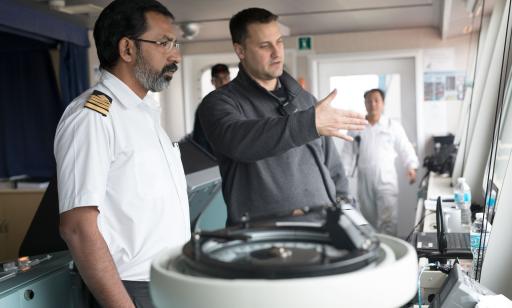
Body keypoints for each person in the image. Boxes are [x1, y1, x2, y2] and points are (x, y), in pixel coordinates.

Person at [54, 1, 189, 307]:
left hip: (167, 282)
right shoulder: (92, 116)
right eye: (164, 42)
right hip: (129, 290)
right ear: (128, 49)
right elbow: (77, 227)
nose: (176, 54)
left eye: (175, 43)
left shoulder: (144, 113)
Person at [197, 7, 367, 226]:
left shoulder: (306, 101)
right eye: (265, 46)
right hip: (261, 240)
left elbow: (334, 170)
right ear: (240, 51)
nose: (277, 53)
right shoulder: (219, 103)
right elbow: (239, 141)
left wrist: (353, 218)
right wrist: (308, 123)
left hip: (324, 229)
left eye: (279, 42)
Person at [342, 88, 419, 236]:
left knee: (388, 219)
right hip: (364, 180)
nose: (373, 104)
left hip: (386, 179)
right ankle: (375, 251)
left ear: (383, 104)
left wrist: (411, 166)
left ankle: (390, 252)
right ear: (364, 104)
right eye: (369, 101)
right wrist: (341, 177)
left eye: (376, 100)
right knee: (367, 219)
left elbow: (405, 147)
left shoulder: (392, 126)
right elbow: (347, 153)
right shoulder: (357, 127)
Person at [192, 64, 231, 154]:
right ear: (212, 81)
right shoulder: (205, 106)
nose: (222, 82)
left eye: (225, 77)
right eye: (218, 78)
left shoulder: (239, 102)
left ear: (229, 79)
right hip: (215, 159)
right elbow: (199, 140)